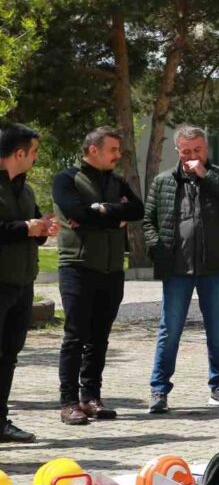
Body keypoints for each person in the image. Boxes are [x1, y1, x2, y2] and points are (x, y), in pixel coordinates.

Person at [144, 125, 219, 414]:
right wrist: (157, 248)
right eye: (186, 151)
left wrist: (206, 175)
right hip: (176, 268)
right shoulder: (163, 181)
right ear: (177, 151)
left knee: (218, 331)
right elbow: (148, 221)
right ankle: (159, 390)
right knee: (169, 331)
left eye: (197, 150)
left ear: (206, 148)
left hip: (213, 267)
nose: (191, 156)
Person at [52, 126, 144, 425]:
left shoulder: (116, 181)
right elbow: (76, 213)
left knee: (99, 338)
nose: (118, 155)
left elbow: (138, 211)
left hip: (112, 269)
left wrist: (104, 209)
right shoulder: (67, 179)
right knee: (75, 336)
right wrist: (114, 217)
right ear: (94, 150)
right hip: (77, 267)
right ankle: (68, 402)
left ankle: (90, 397)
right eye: (113, 150)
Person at [0, 124, 59, 442]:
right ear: (18, 153)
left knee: (9, 355)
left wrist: (43, 229)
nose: (36, 158)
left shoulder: (26, 189)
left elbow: (30, 230)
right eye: (34, 152)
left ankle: (1, 422)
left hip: (22, 284)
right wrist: (25, 227)